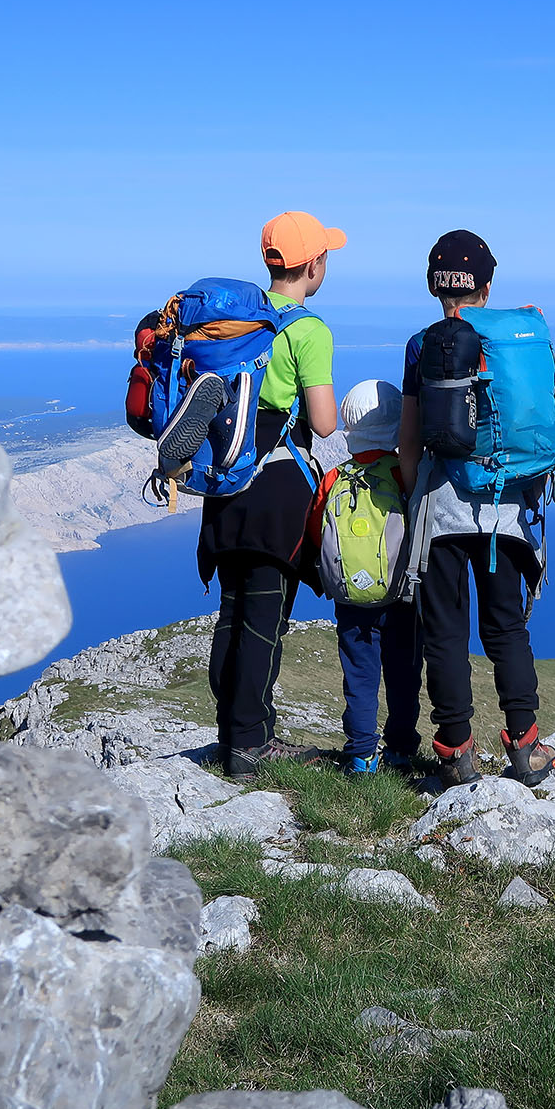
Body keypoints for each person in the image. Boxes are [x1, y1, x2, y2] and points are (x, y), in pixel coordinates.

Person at [398, 230, 555, 787]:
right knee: (506, 630)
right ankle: (526, 746)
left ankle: (455, 754)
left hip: (441, 509)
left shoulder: (422, 344)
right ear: (488, 286)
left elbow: (409, 439)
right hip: (508, 509)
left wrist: (407, 489)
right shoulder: (519, 336)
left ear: (433, 287)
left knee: (445, 633)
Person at [200, 210, 345, 777]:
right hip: (276, 485)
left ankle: (231, 732)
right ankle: (251, 744)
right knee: (264, 618)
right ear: (314, 265)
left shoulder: (238, 322)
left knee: (231, 613)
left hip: (226, 476)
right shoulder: (309, 330)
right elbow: (325, 421)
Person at [313, 380, 423, 775]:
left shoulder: (334, 478)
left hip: (351, 600)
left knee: (359, 674)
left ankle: (361, 754)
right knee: (404, 673)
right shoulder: (404, 474)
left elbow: (317, 534)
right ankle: (400, 749)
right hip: (402, 595)